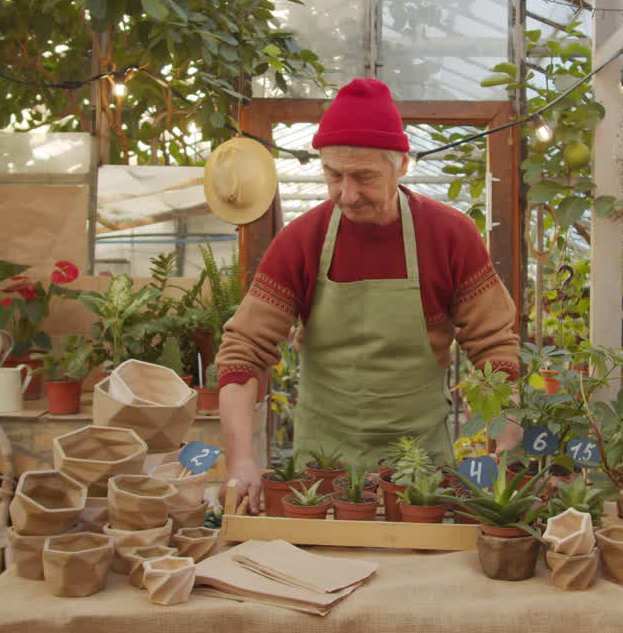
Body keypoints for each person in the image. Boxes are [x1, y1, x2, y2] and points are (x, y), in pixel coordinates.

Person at [216, 78, 520, 512]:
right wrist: (241, 461)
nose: (348, 194)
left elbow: (496, 350)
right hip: (319, 478)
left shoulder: (451, 236)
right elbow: (242, 354)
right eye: (333, 176)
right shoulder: (302, 240)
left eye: (364, 177)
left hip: (421, 479)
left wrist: (504, 453)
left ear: (402, 166)